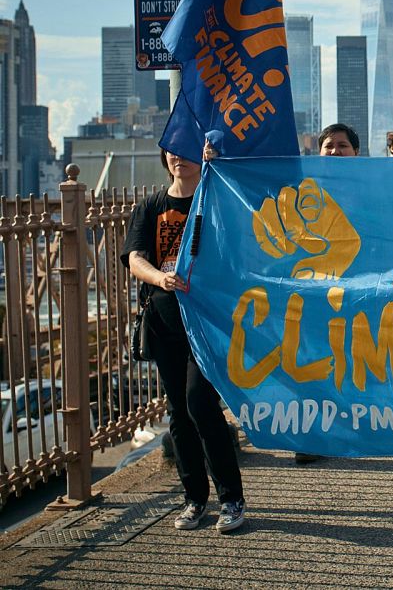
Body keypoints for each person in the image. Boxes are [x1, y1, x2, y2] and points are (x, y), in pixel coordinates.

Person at [122, 148, 246, 533]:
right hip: (165, 321)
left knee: (200, 403)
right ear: (164, 158)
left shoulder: (216, 202)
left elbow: (236, 252)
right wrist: (160, 278)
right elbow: (134, 256)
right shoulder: (152, 205)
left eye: (188, 151)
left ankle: (232, 498)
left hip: (206, 322)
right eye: (172, 152)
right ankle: (194, 499)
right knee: (178, 411)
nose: (179, 158)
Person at [294, 123, 362, 465]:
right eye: (328, 146)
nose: (334, 151)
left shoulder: (373, 190)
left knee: (355, 357)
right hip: (317, 292)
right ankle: (312, 435)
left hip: (360, 292)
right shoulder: (306, 193)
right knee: (314, 359)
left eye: (342, 145)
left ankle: (359, 425)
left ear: (356, 153)